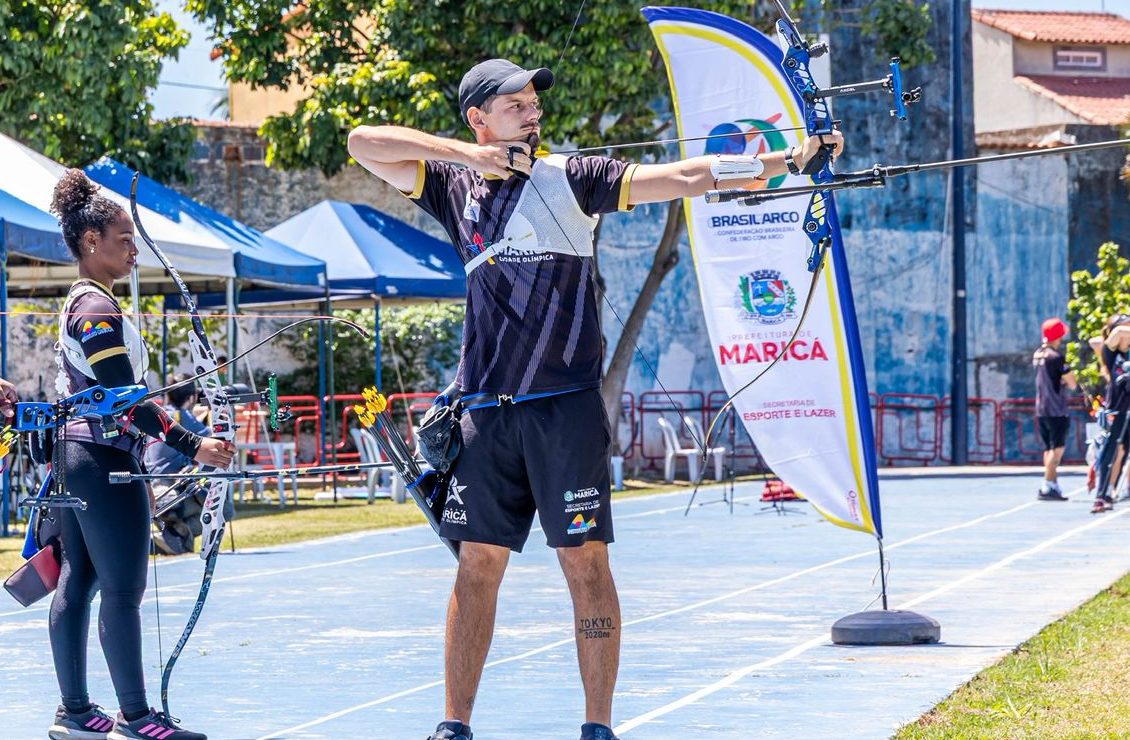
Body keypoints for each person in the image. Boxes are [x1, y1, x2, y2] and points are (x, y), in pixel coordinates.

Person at [347, 58, 844, 740]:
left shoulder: (575, 176)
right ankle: (454, 725)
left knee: (585, 564)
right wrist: (469, 157)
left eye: (533, 103)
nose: (532, 113)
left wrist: (786, 160)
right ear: (478, 117)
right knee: (476, 564)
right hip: (486, 411)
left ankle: (597, 726)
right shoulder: (451, 185)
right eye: (515, 104)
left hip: (565, 409)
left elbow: (685, 177)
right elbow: (363, 142)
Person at [45, 169, 235, 740]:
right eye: (124, 239)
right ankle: (137, 717)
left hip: (79, 457)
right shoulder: (94, 307)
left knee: (80, 579)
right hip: (101, 459)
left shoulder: (90, 302)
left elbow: (119, 395)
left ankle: (76, 712)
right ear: (91, 241)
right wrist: (193, 445)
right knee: (123, 589)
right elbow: (124, 398)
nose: (134, 250)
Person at [143, 375, 212, 555]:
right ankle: (171, 537)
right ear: (191, 397)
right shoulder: (182, 415)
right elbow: (213, 440)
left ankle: (171, 536)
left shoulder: (156, 415)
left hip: (150, 489)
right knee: (221, 508)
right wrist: (213, 414)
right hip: (170, 490)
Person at [1033, 318, 1077, 500]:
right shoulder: (1056, 357)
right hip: (1056, 409)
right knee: (1057, 449)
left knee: (1048, 449)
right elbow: (1072, 383)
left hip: (1041, 408)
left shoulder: (1038, 354)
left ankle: (1053, 483)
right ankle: (1047, 484)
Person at [1091, 313, 1130, 513]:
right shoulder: (1110, 353)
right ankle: (1102, 494)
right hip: (1117, 408)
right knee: (1111, 451)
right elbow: (1117, 332)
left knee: (1123, 453)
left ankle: (1110, 491)